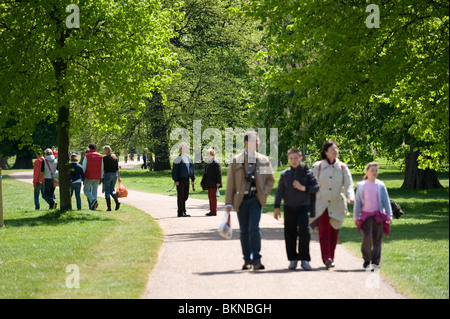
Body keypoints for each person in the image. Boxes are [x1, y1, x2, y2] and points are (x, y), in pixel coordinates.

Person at [225, 131, 275, 270]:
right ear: (246, 143)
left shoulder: (263, 160)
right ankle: (247, 259)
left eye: (258, 141)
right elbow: (230, 183)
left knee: (254, 228)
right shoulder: (236, 161)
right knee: (244, 231)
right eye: (255, 141)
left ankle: (257, 259)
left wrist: (263, 194)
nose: (258, 143)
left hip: (255, 200)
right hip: (241, 200)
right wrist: (228, 202)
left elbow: (270, 180)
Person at [310, 141, 355, 269]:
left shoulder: (342, 167)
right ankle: (326, 258)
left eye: (336, 148)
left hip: (337, 204)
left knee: (334, 231)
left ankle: (332, 257)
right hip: (321, 204)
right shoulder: (317, 166)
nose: (335, 150)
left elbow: (349, 184)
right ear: (325, 152)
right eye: (332, 149)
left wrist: (350, 196)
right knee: (324, 231)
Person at [274, 148, 320, 271]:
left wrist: (303, 188)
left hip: (303, 207)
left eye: (296, 158)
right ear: (289, 160)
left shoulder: (307, 172)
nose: (293, 161)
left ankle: (305, 260)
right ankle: (293, 259)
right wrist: (277, 207)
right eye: (291, 159)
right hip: (289, 207)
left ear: (300, 158)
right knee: (290, 233)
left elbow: (316, 187)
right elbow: (280, 192)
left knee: (305, 232)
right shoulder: (285, 174)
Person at [354, 162, 392, 270]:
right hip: (366, 216)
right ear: (367, 171)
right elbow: (357, 202)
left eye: (376, 170)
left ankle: (375, 261)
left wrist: (389, 215)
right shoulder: (361, 185)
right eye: (372, 170)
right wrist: (356, 217)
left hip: (378, 215)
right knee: (367, 236)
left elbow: (386, 200)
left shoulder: (380, 185)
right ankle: (367, 259)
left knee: (377, 238)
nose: (374, 172)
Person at [172, 142, 195, 217]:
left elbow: (191, 169)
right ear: (180, 150)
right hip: (180, 180)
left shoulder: (189, 158)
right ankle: (180, 212)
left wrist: (192, 178)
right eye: (183, 148)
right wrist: (175, 180)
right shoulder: (177, 159)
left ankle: (183, 211)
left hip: (187, 179)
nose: (184, 150)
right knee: (180, 196)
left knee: (185, 196)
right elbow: (174, 171)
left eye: (185, 148)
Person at [201, 148, 222, 216]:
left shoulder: (216, 162)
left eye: (208, 154)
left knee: (213, 197)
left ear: (212, 154)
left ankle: (214, 211)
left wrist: (219, 182)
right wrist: (202, 182)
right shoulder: (208, 162)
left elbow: (219, 173)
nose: (207, 155)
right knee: (210, 197)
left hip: (214, 183)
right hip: (209, 183)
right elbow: (205, 173)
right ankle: (211, 210)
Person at [82, 143, 103, 210]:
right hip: (97, 176)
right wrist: (101, 176)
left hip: (88, 175)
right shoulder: (100, 156)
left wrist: (82, 175)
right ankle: (94, 207)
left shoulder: (87, 155)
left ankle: (93, 200)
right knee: (94, 191)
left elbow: (84, 166)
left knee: (86, 191)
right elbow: (102, 167)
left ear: (89, 148)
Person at [103, 145, 121, 211]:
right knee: (112, 190)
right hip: (114, 175)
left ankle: (109, 207)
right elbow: (117, 168)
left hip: (107, 175)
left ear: (106, 151)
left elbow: (104, 169)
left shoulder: (104, 158)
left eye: (104, 150)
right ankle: (117, 202)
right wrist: (119, 177)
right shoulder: (115, 157)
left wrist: (102, 176)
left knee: (107, 191)